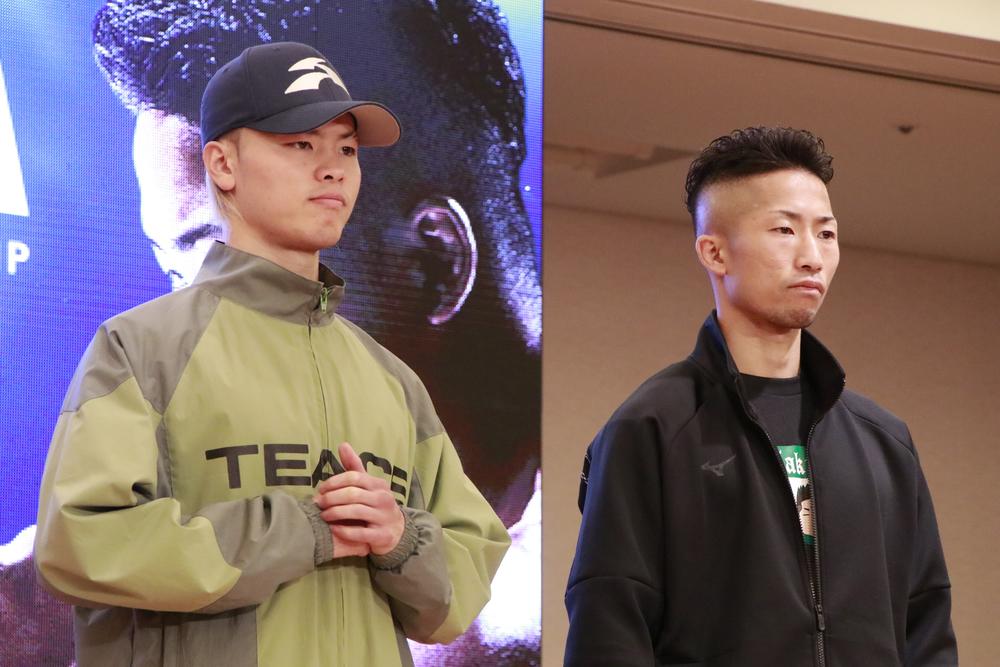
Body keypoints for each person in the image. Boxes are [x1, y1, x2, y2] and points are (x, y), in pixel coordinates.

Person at [34, 41, 510, 667]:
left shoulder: (392, 380)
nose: (333, 169)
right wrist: (300, 530)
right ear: (223, 164)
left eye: (346, 150)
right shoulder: (142, 348)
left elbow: (460, 593)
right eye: (301, 145)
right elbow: (80, 543)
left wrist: (400, 538)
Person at [564, 127, 957, 666]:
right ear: (714, 252)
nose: (812, 257)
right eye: (784, 230)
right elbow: (609, 627)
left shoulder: (883, 441)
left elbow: (927, 627)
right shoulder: (652, 428)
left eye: (826, 233)